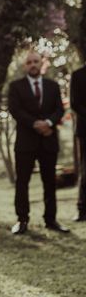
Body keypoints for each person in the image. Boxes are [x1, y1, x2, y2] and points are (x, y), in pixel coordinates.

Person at [8, 51, 69, 234]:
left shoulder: (53, 86)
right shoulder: (16, 86)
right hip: (25, 143)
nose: (33, 64)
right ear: (25, 66)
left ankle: (51, 220)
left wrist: (49, 123)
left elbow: (59, 109)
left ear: (41, 64)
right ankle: (22, 220)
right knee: (22, 182)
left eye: (36, 61)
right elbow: (15, 110)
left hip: (48, 141)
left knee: (49, 182)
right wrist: (36, 124)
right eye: (29, 62)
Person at [70, 63, 86, 222]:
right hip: (85, 130)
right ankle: (82, 210)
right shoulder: (78, 75)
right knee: (85, 170)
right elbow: (75, 103)